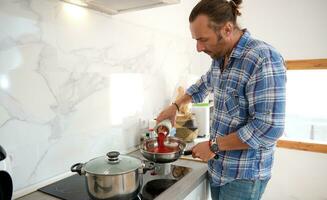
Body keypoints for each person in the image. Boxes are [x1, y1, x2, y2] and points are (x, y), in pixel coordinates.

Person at [156, 0, 286, 199]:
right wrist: (175, 105)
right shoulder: (220, 57)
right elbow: (204, 83)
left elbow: (269, 128)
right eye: (195, 40)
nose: (198, 48)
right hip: (218, 169)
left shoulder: (262, 58)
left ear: (227, 29)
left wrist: (213, 146)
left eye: (203, 39)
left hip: (243, 176)